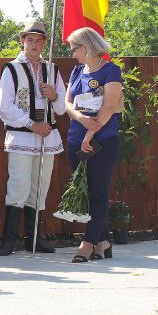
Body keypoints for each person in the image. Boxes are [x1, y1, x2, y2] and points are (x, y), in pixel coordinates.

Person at [0, 21, 68, 255]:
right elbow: (4, 108)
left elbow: (62, 108)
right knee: (18, 187)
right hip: (22, 137)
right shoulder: (11, 69)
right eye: (29, 40)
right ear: (22, 41)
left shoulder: (52, 70)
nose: (34, 44)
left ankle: (34, 239)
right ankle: (8, 240)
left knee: (40, 188)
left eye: (38, 40)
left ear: (44, 42)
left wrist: (54, 95)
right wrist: (31, 124)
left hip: (47, 137)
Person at [63, 27, 124, 263]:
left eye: (74, 48)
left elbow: (109, 107)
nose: (72, 53)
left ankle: (87, 244)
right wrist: (81, 119)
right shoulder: (77, 71)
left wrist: (90, 133)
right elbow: (68, 103)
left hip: (103, 140)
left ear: (86, 46)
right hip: (76, 139)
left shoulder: (111, 70)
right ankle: (104, 242)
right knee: (85, 192)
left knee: (98, 191)